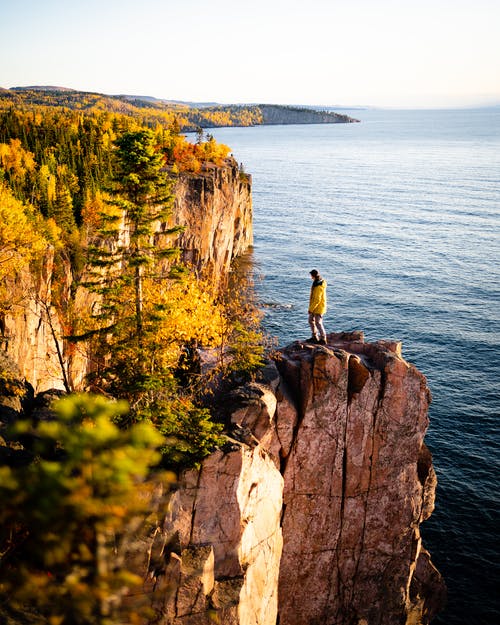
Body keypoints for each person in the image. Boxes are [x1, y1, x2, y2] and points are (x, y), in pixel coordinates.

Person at [307, 269, 327, 345]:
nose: (310, 276)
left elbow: (317, 300)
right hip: (314, 306)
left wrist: (311, 309)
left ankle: (323, 339)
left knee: (318, 323)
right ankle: (314, 337)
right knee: (310, 321)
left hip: (318, 307)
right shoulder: (317, 282)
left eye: (311, 275)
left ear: (313, 275)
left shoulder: (318, 286)